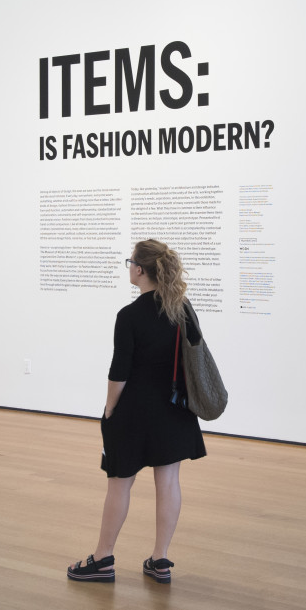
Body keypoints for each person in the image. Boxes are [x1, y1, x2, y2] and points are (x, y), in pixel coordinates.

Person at [67, 239, 206, 584]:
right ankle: (160, 560)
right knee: (169, 481)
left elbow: (120, 371)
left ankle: (102, 560)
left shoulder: (129, 316)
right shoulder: (181, 309)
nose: (128, 267)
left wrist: (108, 410)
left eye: (130, 262)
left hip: (134, 413)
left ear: (140, 270)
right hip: (175, 409)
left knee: (119, 484)